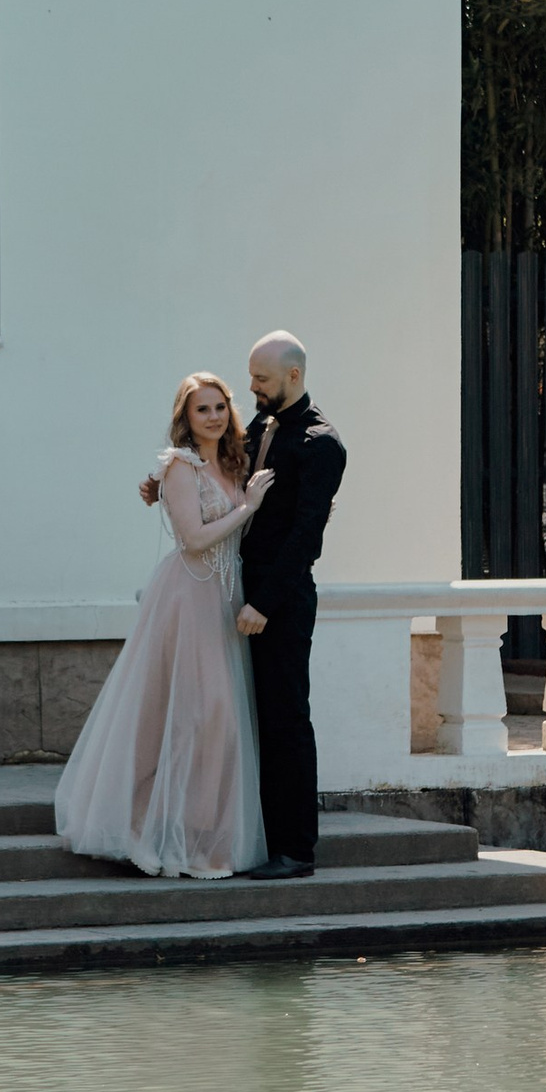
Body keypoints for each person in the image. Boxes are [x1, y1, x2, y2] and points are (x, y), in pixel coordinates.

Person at [137, 329, 346, 884]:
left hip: (275, 602)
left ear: (293, 377)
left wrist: (263, 603)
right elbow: (215, 466)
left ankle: (295, 850)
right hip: (228, 594)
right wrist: (161, 480)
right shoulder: (261, 425)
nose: (249, 387)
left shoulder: (322, 443)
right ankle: (245, 836)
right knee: (241, 720)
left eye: (260, 379)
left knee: (284, 720)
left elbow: (306, 537)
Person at [55, 372, 273, 878]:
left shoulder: (233, 460)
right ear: (186, 418)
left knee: (219, 720)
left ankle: (199, 837)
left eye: (220, 407)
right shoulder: (179, 465)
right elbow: (195, 540)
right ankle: (149, 828)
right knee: (196, 714)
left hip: (223, 597)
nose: (214, 417)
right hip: (188, 595)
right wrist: (247, 508)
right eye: (203, 410)